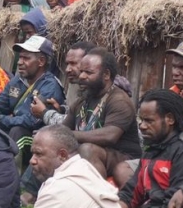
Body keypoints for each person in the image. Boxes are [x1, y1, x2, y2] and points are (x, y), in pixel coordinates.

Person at [18, 125, 126, 208]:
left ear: (62, 155)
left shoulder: (61, 187)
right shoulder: (84, 168)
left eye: (39, 154)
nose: (32, 161)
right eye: (32, 154)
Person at [60, 48, 141, 185]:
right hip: (97, 153)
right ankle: (33, 194)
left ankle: (98, 198)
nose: (82, 76)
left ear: (106, 75)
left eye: (89, 72)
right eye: (82, 71)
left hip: (123, 157)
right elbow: (63, 129)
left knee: (87, 149)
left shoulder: (119, 100)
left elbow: (109, 136)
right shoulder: (82, 100)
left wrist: (67, 134)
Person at [0, 36, 64, 159]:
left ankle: (9, 174)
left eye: (26, 58)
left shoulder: (50, 86)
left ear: (41, 61)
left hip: (37, 137)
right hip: (14, 129)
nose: (19, 62)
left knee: (18, 131)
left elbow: (31, 121)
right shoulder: (18, 80)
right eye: (20, 57)